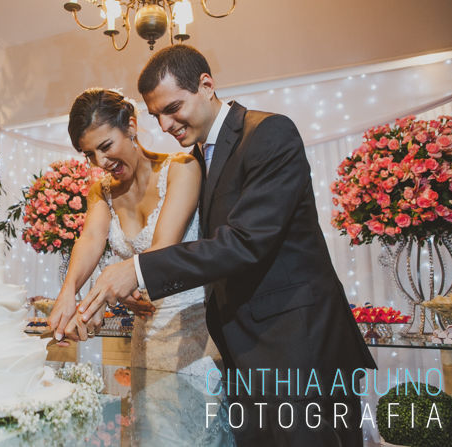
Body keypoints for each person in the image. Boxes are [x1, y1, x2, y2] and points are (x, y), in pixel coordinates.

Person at [74, 45, 377, 446]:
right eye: (156, 115)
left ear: (206, 85)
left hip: (298, 347)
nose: (165, 125)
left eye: (173, 107)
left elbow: (245, 242)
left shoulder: (268, 132)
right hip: (238, 353)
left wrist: (138, 270)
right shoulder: (198, 157)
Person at [48, 88, 221, 377]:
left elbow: (164, 247)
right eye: (90, 154)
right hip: (145, 339)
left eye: (106, 146)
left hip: (194, 336)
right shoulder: (100, 192)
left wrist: (121, 282)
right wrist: (67, 293)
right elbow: (91, 239)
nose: (100, 162)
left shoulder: (182, 169)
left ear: (130, 126)